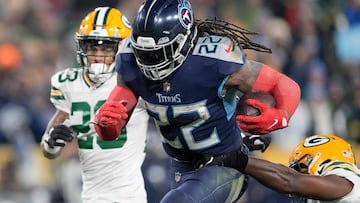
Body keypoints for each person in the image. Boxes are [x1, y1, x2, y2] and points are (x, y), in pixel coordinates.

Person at [94, 0, 301, 202]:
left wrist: (282, 115)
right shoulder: (130, 60)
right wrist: (106, 125)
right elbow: (113, 125)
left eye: (159, 52)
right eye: (144, 54)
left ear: (183, 40)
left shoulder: (213, 61)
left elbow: (281, 84)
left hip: (223, 165)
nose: (150, 62)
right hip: (180, 167)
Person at [40, 7, 150, 203]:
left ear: (122, 48)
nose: (99, 56)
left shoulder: (136, 81)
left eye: (107, 48)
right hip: (89, 194)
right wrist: (51, 142)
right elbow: (50, 148)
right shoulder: (68, 82)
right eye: (93, 48)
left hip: (129, 195)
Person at [196, 134, 360, 202]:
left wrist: (235, 159)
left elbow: (290, 180)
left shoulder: (347, 181)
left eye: (301, 169)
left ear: (316, 160)